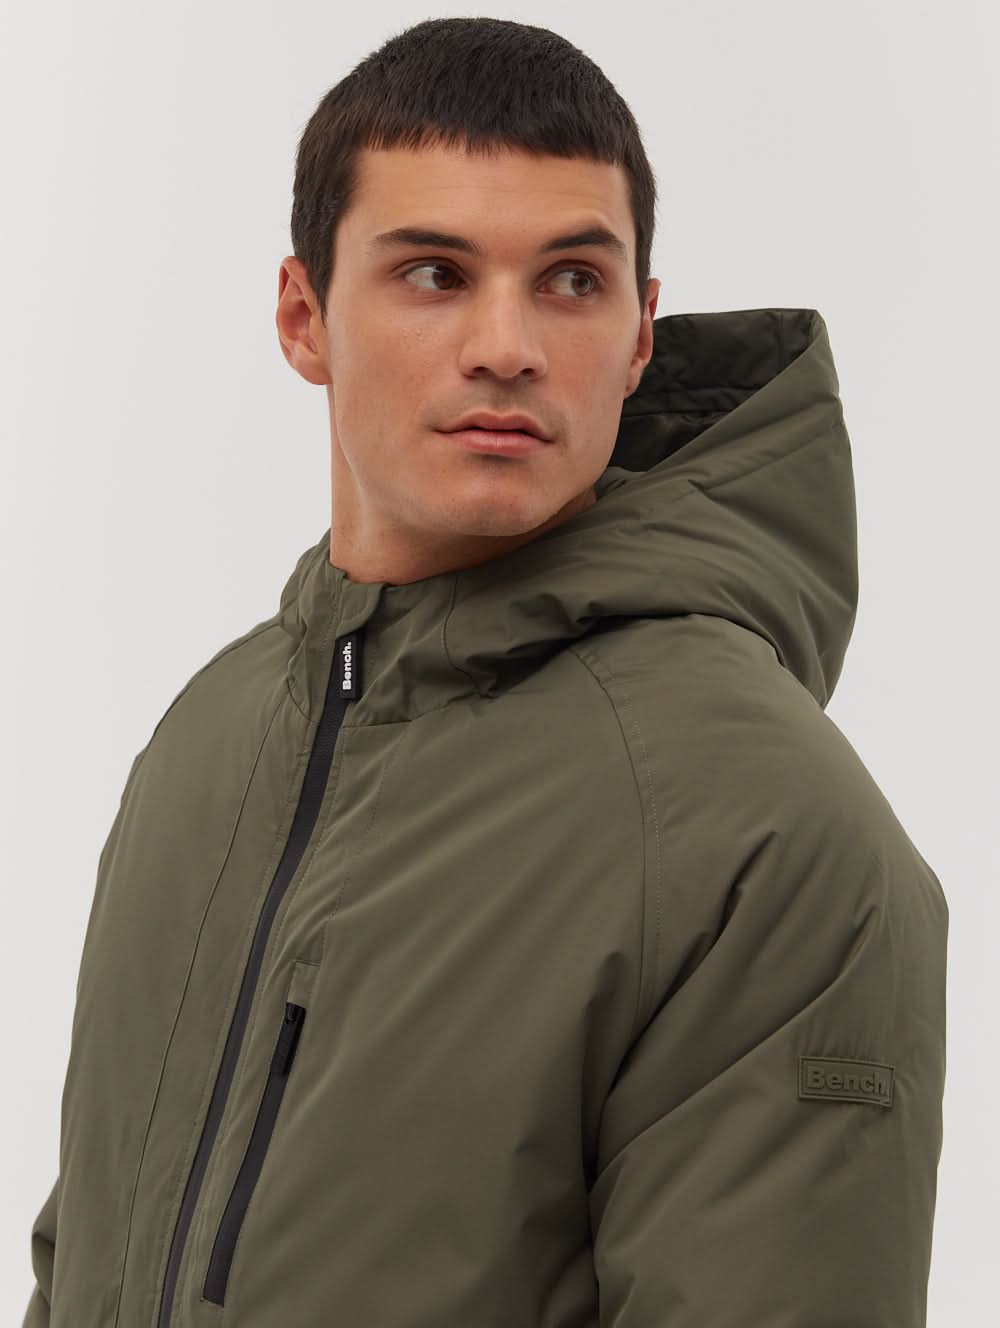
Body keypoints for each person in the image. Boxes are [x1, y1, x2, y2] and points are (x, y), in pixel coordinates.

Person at [21, 16, 948, 1328]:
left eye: (571, 280)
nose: (506, 344)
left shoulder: (760, 825)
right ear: (303, 316)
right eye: (435, 273)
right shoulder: (210, 741)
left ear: (640, 336)